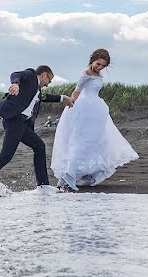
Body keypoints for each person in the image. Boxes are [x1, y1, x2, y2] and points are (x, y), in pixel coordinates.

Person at [51, 49, 138, 190]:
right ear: (93, 60)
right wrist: (71, 104)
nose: (100, 67)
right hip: (85, 110)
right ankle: (69, 175)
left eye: (103, 66)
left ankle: (77, 175)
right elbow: (77, 91)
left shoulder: (97, 74)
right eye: (98, 64)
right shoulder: (86, 74)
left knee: (97, 141)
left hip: (96, 110)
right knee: (82, 142)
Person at [0, 65, 73, 193]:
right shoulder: (30, 75)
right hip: (14, 120)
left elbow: (45, 97)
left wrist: (63, 98)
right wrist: (16, 84)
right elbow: (16, 74)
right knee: (6, 155)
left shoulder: (37, 90)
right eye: (49, 80)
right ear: (44, 74)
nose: (47, 84)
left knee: (39, 146)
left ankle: (43, 186)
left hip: (21, 124)